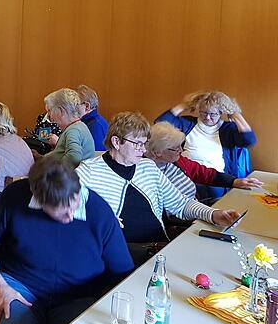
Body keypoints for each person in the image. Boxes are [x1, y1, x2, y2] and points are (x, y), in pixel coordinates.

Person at [0, 157, 134, 324]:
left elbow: (123, 272)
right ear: (39, 201)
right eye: (63, 213)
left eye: (75, 205)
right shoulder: (16, 197)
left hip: (78, 297)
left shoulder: (98, 211)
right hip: (21, 289)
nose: (72, 216)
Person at [75, 112, 241, 264]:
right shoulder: (88, 172)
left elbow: (181, 204)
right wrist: (99, 220)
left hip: (158, 247)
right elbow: (64, 211)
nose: (144, 150)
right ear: (116, 142)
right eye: (137, 144)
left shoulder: (147, 167)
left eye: (144, 144)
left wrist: (213, 214)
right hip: (122, 254)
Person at [156, 91, 256, 199]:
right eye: (203, 113)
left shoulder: (228, 128)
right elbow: (160, 123)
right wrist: (185, 105)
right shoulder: (188, 123)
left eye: (213, 114)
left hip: (217, 178)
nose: (208, 117)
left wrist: (234, 113)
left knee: (214, 196)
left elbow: (249, 140)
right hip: (188, 175)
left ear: (221, 112)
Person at [145, 122, 263, 200]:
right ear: (157, 152)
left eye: (180, 146)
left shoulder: (177, 161)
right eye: (175, 148)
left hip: (194, 208)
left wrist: (234, 181)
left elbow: (204, 173)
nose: (181, 150)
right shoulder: (145, 172)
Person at [43, 88, 95, 166]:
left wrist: (56, 169)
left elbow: (74, 157)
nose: (49, 116)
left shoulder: (73, 130)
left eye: (50, 111)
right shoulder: (79, 126)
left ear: (61, 111)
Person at [76, 84, 109, 151]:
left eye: (75, 104)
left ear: (87, 106)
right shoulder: (93, 121)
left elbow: (95, 156)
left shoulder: (96, 126)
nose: (72, 108)